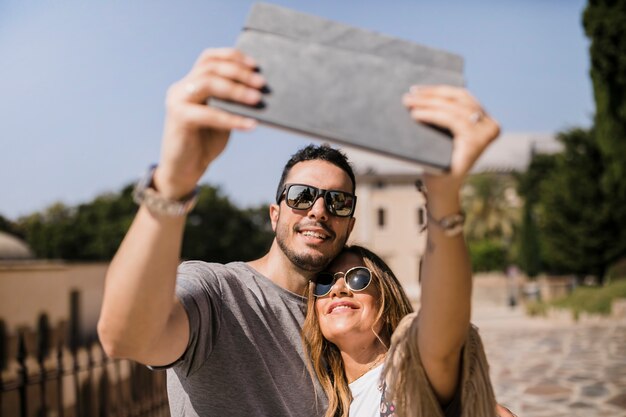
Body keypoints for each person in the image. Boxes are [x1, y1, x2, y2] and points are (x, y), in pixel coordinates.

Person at [97, 47, 501, 416]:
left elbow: (437, 355)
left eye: (338, 202)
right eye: (302, 196)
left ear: (351, 224)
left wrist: (444, 195)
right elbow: (126, 338)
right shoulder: (218, 292)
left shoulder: (342, 334)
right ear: (275, 213)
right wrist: (172, 184)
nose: (320, 210)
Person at [303, 245, 517, 417]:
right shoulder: (332, 403)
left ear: (386, 300)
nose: (337, 289)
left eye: (357, 278)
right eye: (324, 283)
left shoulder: (413, 372)